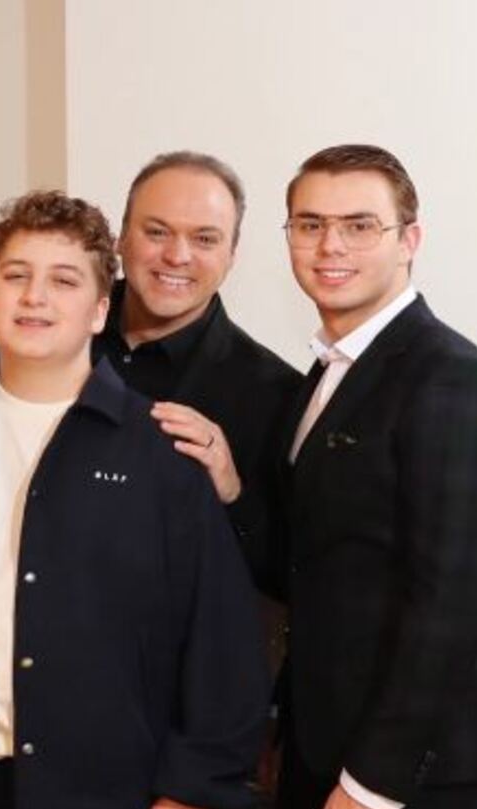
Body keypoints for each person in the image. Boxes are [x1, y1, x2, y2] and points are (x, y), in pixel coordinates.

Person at [0, 190, 267, 809]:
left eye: (63, 280)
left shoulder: (162, 452)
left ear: (98, 310)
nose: (35, 297)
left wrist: (194, 792)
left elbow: (221, 638)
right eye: (16, 276)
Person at [272, 144, 477, 809]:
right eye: (310, 224)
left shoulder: (454, 382)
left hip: (408, 773)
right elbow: (319, 562)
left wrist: (375, 784)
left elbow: (451, 605)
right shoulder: (333, 371)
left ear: (409, 239)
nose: (330, 246)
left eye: (359, 225)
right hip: (329, 745)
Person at [98, 151, 299, 591]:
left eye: (205, 239)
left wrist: (231, 494)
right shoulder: (54, 330)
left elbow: (285, 576)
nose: (177, 256)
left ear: (232, 255)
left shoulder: (277, 395)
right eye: (156, 232)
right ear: (121, 238)